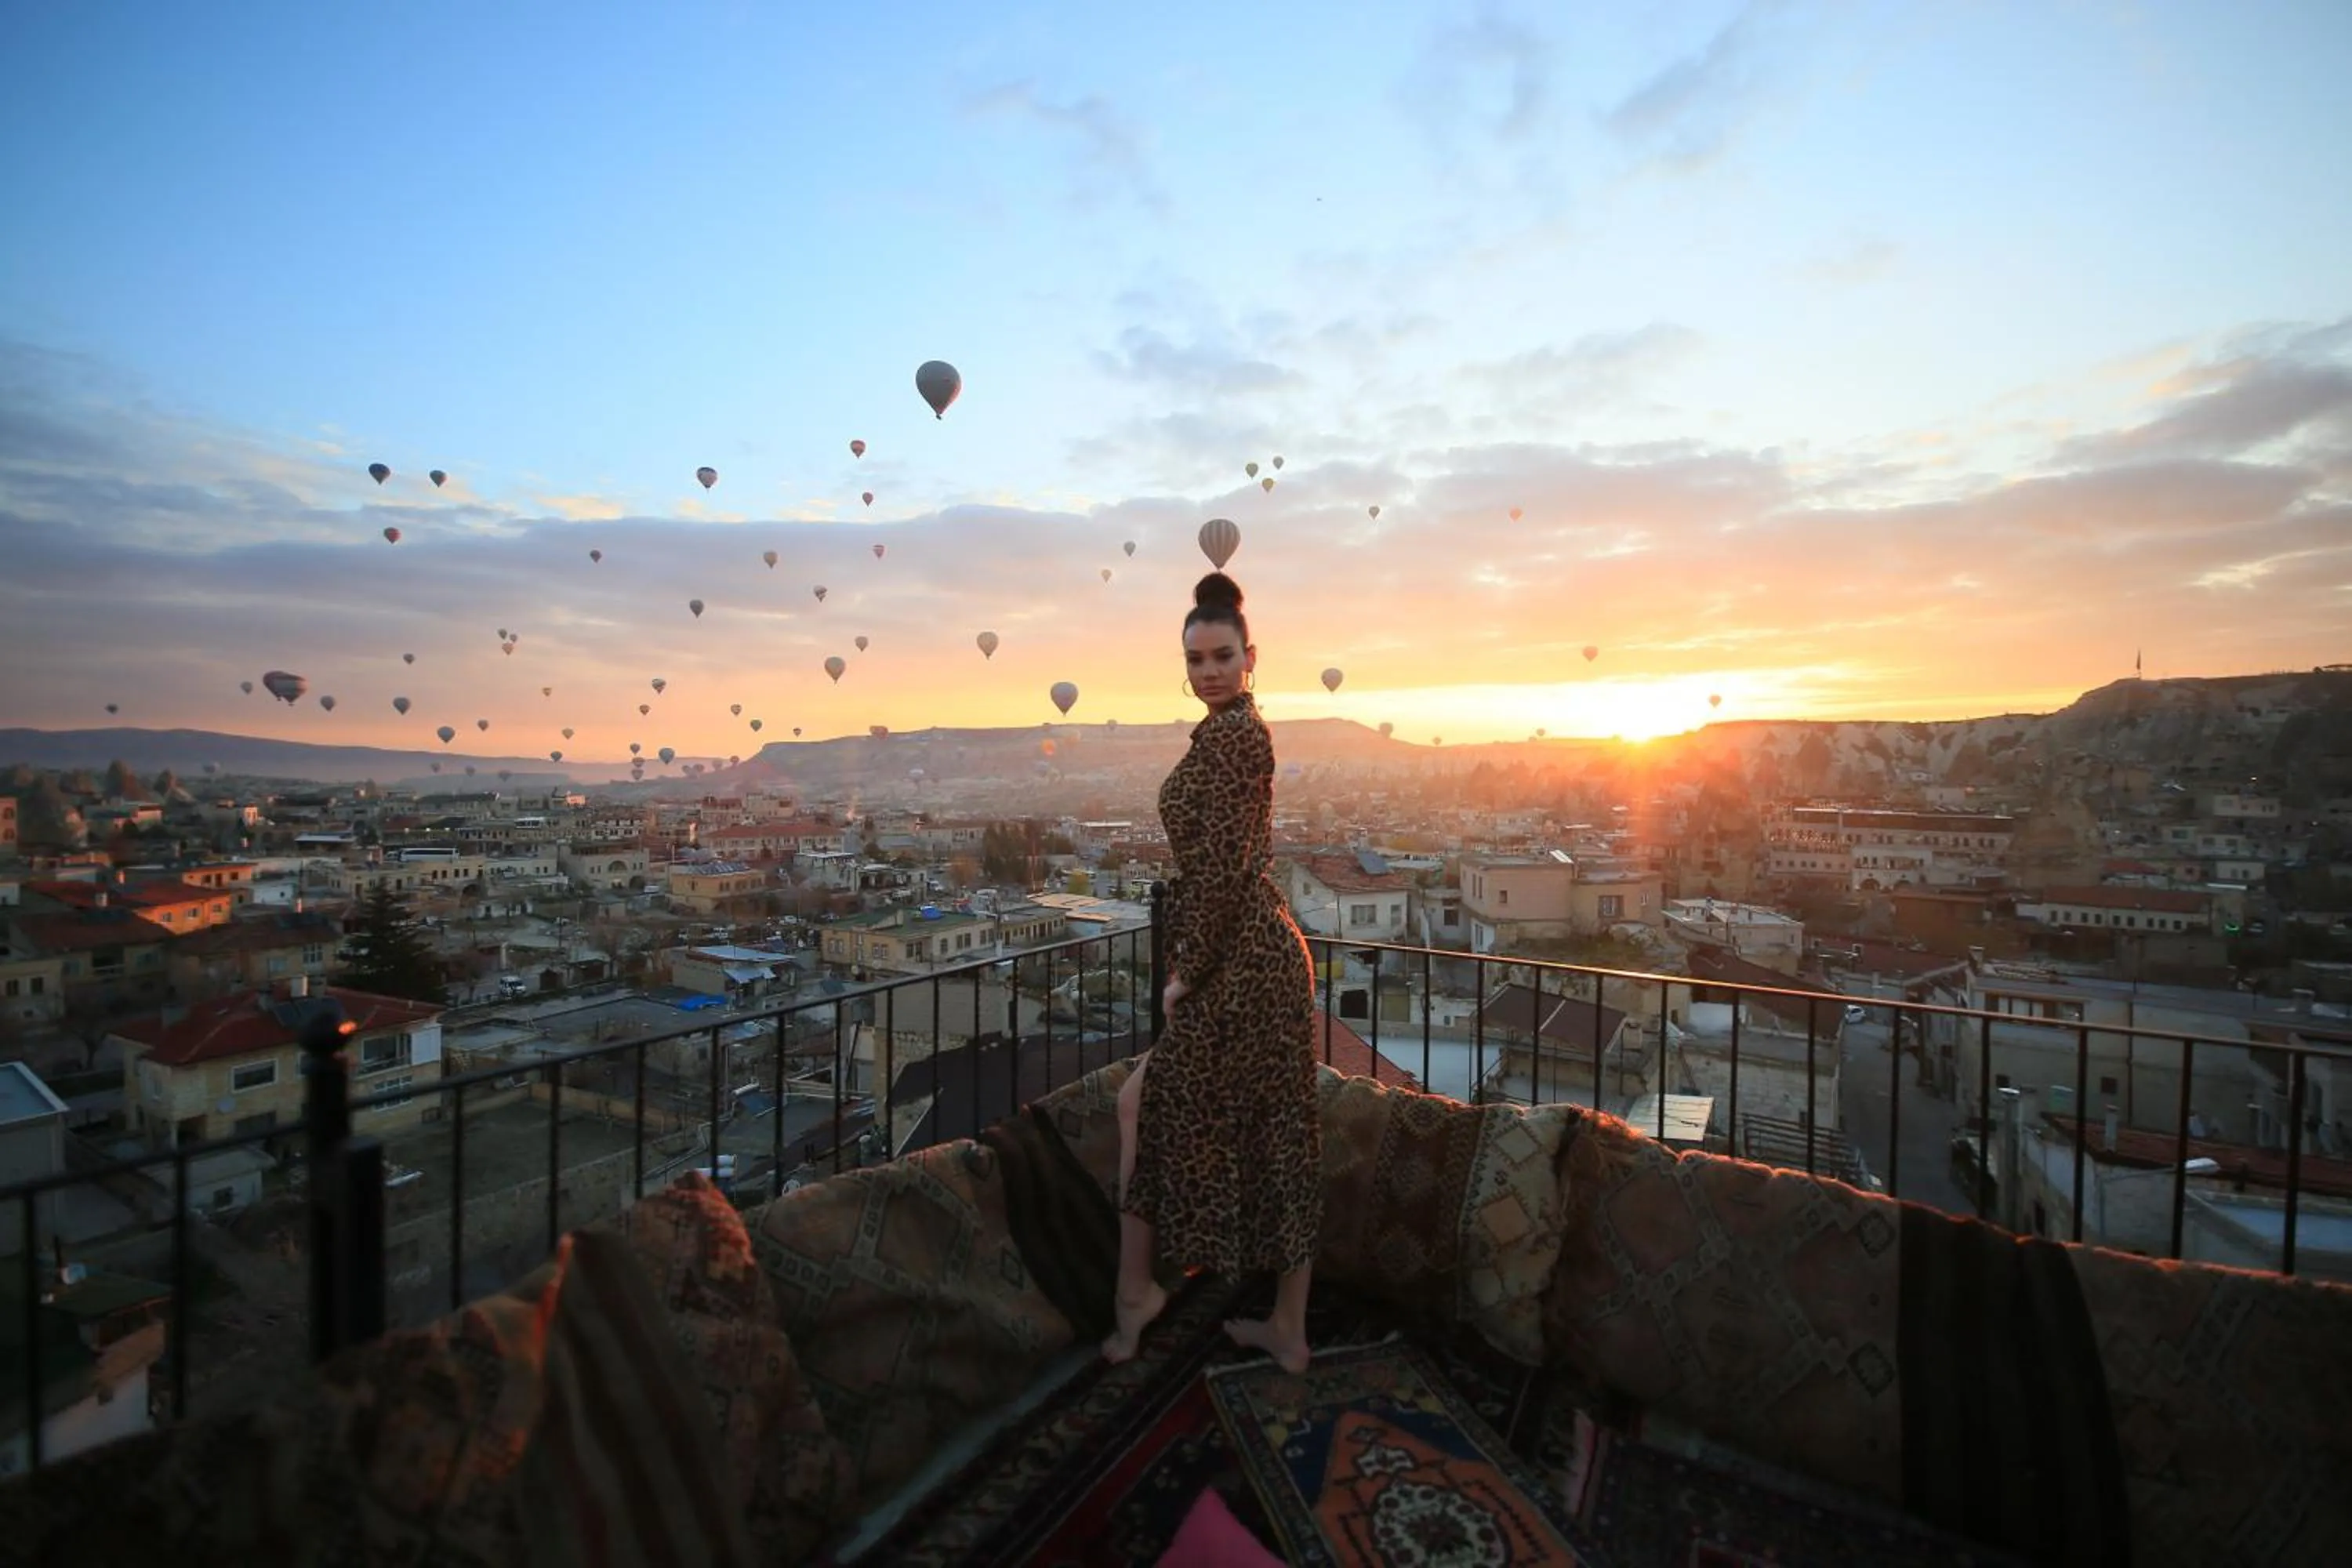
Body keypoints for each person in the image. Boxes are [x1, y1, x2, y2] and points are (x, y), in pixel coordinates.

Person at [1102, 571, 1323, 1375]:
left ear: (1250, 654)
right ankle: (1284, 1325)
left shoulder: (1238, 737)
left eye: (1222, 656)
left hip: (1241, 962)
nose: (1208, 672)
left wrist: (1185, 974)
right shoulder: (1226, 731)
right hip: (1248, 956)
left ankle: (1140, 1295)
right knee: (1276, 1131)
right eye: (1194, 659)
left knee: (1152, 1106)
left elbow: (1226, 872)